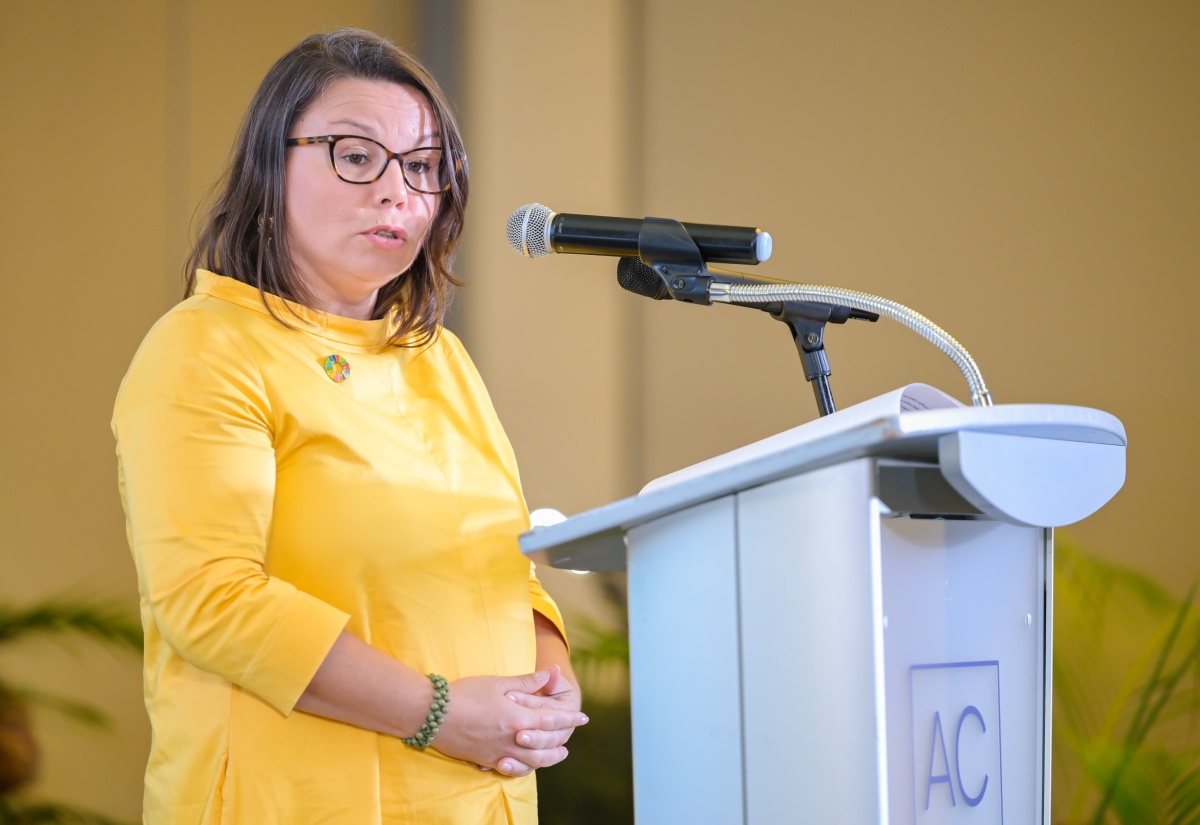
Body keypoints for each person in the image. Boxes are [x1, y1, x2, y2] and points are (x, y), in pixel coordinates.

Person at [112, 29, 586, 824]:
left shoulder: (440, 359)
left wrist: (550, 670)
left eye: (423, 166)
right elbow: (212, 598)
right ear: (270, 167)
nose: (397, 191)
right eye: (357, 155)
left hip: (476, 799)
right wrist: (440, 712)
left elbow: (506, 567)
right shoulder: (204, 348)